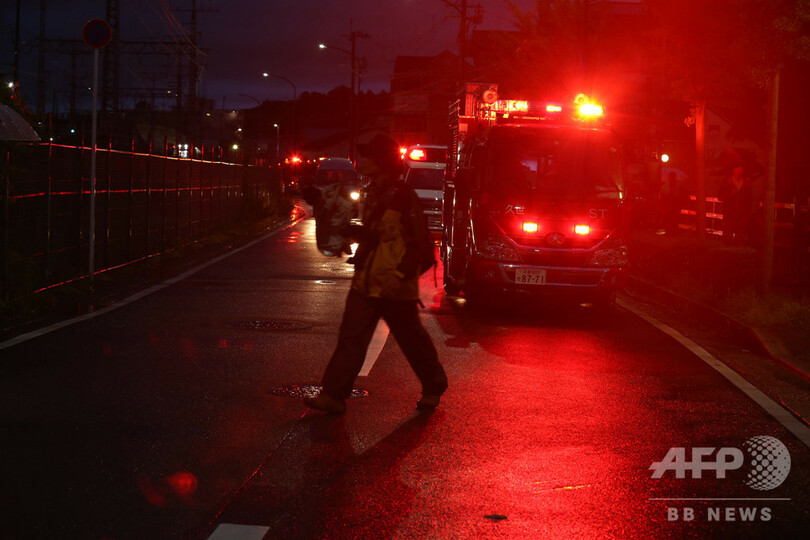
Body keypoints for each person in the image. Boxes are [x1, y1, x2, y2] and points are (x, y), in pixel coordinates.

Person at [305, 134, 448, 414]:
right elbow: (373, 235)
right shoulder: (373, 193)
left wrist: (399, 275)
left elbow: (421, 247)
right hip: (367, 281)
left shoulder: (404, 196)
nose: (363, 161)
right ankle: (333, 396)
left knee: (411, 340)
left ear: (381, 161)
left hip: (394, 285)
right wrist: (339, 225)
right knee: (351, 338)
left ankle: (434, 385)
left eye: (369, 156)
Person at [718, 165, 753, 245]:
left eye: (741, 168)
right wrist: (730, 194)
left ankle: (738, 252)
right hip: (729, 213)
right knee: (728, 234)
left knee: (740, 235)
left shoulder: (746, 183)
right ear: (733, 170)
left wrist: (747, 211)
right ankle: (727, 252)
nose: (739, 170)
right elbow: (720, 196)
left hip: (742, 214)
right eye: (737, 168)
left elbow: (750, 198)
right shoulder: (727, 181)